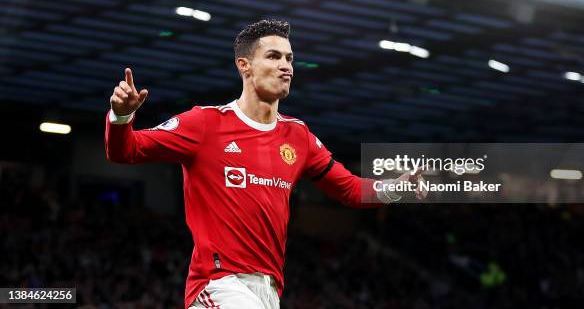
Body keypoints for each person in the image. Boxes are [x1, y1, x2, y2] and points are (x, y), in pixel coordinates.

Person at [105, 19, 425, 309]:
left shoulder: (298, 136)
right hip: (218, 285)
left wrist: (397, 188)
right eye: (274, 57)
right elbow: (127, 151)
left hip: (268, 290)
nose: (286, 66)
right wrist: (121, 116)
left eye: (289, 59)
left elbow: (351, 190)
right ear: (244, 65)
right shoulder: (205, 123)